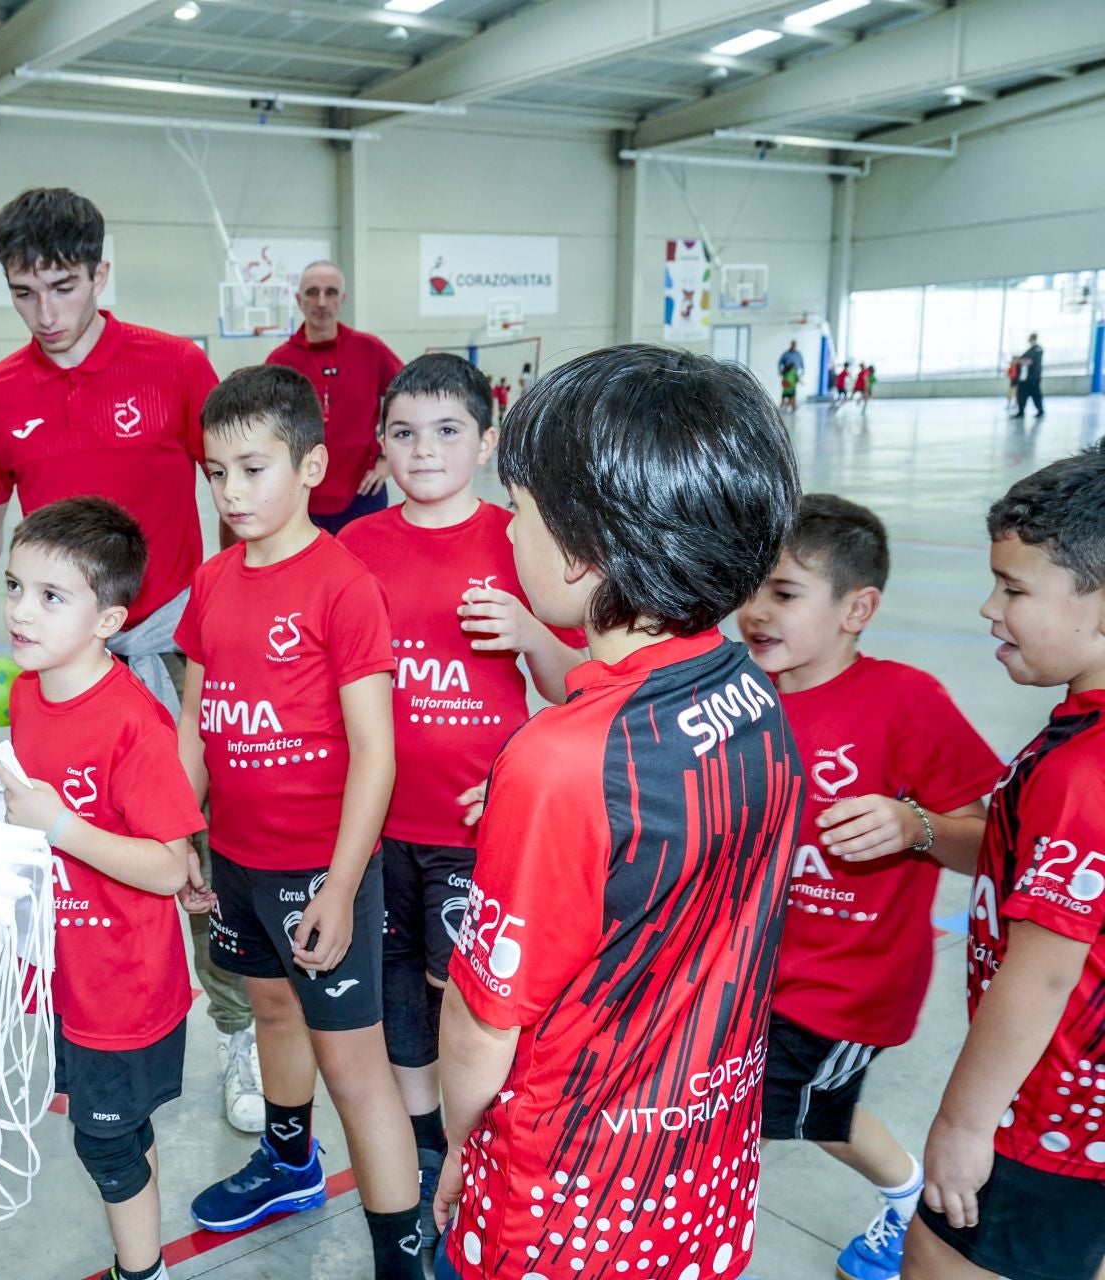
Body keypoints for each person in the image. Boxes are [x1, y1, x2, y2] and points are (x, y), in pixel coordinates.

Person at [432, 345, 804, 1280]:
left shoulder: (562, 759)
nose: (507, 538)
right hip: (700, 1169)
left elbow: (484, 1028)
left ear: (581, 547)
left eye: (516, 514)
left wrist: (459, 1141)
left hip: (565, 1192)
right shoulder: (755, 696)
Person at [0, 186, 262, 1134]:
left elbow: (237, 480)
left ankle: (236, 1022)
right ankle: (76, 1021)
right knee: (59, 837)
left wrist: (229, 613)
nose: (48, 314)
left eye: (65, 287)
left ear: (100, 275)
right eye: (25, 293)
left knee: (193, 842)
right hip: (56, 648)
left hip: (165, 631)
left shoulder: (172, 365)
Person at [175, 365, 423, 1280]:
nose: (232, 492)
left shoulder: (343, 586)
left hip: (318, 869)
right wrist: (179, 835)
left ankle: (402, 1255)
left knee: (355, 1069)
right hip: (235, 859)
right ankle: (288, 1163)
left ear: (312, 465)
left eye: (252, 468)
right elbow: (195, 728)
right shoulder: (210, 582)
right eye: (215, 472)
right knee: (270, 1007)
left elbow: (377, 753)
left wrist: (343, 887)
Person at [338, 354, 584, 1250]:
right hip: (375, 832)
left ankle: (476, 1149)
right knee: (397, 993)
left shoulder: (517, 543)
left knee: (467, 998)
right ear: (380, 446)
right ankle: (426, 1155)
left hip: (474, 833)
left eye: (447, 430)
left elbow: (573, 693)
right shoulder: (356, 549)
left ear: (486, 442)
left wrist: (526, 633)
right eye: (403, 432)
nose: (424, 449)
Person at [736, 494, 1002, 1280]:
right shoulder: (736, 692)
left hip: (840, 985)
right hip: (746, 967)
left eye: (783, 593)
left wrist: (914, 826)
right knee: (807, 1116)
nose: (755, 610)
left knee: (785, 1115)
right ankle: (903, 1192)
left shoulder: (905, 701)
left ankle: (906, 1195)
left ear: (859, 607)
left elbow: (991, 838)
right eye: (750, 587)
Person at [0, 497, 208, 1280]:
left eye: (52, 598)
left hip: (123, 985)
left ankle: (140, 1271)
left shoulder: (132, 724)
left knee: (105, 1142)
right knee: (114, 1132)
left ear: (109, 619)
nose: (21, 611)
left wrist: (60, 828)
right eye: (14, 588)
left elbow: (168, 864)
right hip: (63, 971)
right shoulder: (26, 695)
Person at [905, 445, 1105, 1280]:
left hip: (1040, 1122)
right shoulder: (1079, 729)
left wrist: (962, 1126)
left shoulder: (1083, 773)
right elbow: (1016, 855)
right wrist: (920, 831)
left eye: (1016, 589)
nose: (990, 608)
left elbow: (1046, 971)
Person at [263, 260, 402, 535]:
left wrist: (390, 461)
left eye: (331, 292)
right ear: (299, 300)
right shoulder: (280, 361)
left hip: (362, 492)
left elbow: (412, 400)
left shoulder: (369, 349)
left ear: (343, 299)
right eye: (313, 292)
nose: (322, 302)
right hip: (302, 497)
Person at [1010, 333, 1045, 419]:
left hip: (1033, 378)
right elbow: (1023, 359)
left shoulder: (1037, 349)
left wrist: (1019, 361)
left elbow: (1030, 361)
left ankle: (1040, 411)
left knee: (1036, 395)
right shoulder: (1030, 350)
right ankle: (1021, 412)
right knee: (1021, 395)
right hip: (1024, 378)